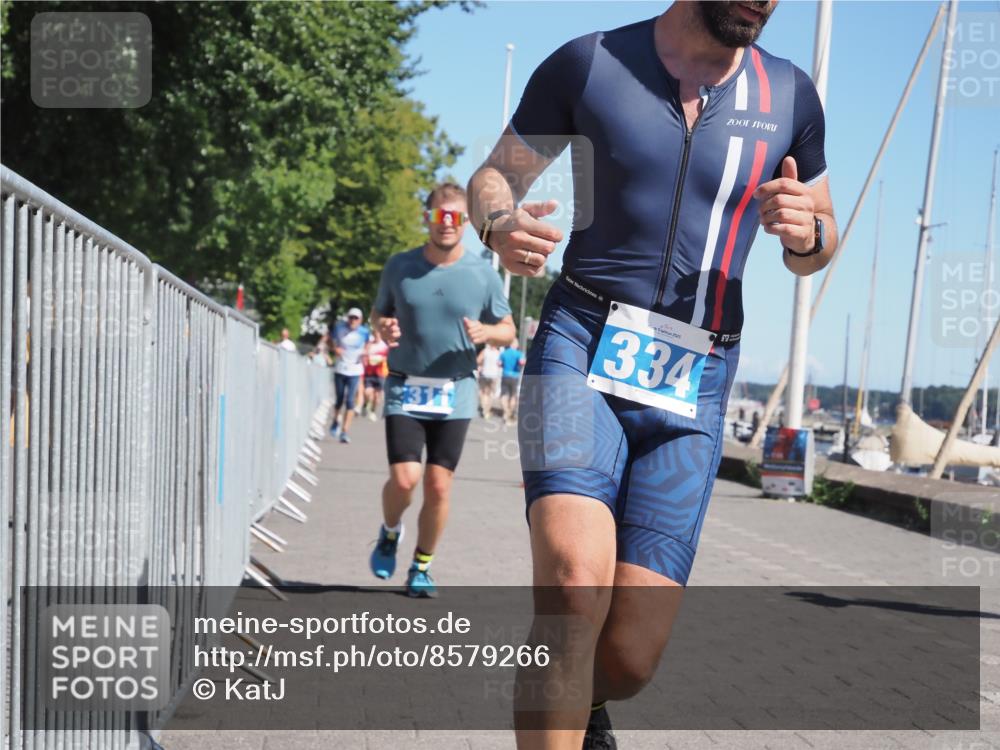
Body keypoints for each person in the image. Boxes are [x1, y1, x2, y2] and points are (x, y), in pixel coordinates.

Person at [467, 1, 838, 747]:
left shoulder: (789, 95)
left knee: (630, 657)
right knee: (573, 589)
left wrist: (809, 233)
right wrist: (497, 225)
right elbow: (491, 179)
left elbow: (821, 235)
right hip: (580, 341)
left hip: (695, 374)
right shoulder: (592, 61)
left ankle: (582, 703)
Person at [368, 183, 516, 597]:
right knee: (404, 479)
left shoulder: (483, 274)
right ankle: (390, 531)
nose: (446, 224)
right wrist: (382, 326)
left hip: (456, 392)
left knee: (438, 485)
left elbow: (508, 330)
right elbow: (379, 314)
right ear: (427, 218)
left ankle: (421, 566)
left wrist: (486, 331)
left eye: (455, 217)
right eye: (439, 216)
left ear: (466, 223)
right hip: (405, 385)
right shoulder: (400, 266)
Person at [330, 308, 370, 444]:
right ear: (348, 318)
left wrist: (365, 353)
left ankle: (345, 431)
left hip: (355, 369)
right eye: (351, 317)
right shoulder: (339, 328)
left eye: (356, 318)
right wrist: (335, 349)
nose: (353, 320)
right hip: (340, 368)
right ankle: (335, 420)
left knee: (350, 401)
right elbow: (331, 341)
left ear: (360, 320)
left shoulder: (364, 332)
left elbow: (368, 346)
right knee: (339, 399)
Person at [362, 330, 390, 421]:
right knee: (367, 392)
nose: (377, 336)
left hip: (380, 373)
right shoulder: (370, 345)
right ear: (373, 335)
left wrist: (381, 359)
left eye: (378, 334)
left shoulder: (384, 346)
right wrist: (366, 359)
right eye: (375, 335)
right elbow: (364, 355)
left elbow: (387, 357)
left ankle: (373, 411)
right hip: (369, 373)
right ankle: (365, 404)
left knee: (377, 397)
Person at [498, 343, 526, 426]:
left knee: (504, 394)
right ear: (516, 345)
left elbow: (499, 363)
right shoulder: (519, 353)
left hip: (505, 375)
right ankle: (509, 413)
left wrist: (504, 365)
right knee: (513, 395)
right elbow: (522, 362)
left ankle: (505, 412)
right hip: (515, 376)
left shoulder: (504, 353)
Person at [477, 343, 502, 417]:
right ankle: (487, 411)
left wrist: (482, 365)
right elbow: (500, 364)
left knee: (483, 392)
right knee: (490, 393)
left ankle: (484, 408)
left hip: (485, 374)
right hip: (494, 375)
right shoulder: (499, 353)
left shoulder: (485, 351)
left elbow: (478, 360)